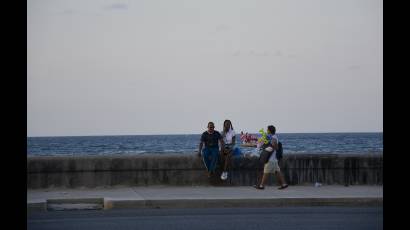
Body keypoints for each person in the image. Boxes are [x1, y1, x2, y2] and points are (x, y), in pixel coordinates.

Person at [253, 125, 288, 190]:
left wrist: (268, 147)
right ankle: (284, 184)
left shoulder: (273, 138)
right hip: (273, 159)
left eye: (267, 130)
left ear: (269, 130)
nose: (266, 131)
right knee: (277, 172)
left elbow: (276, 147)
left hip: (270, 159)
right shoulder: (273, 137)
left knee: (265, 172)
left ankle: (261, 186)